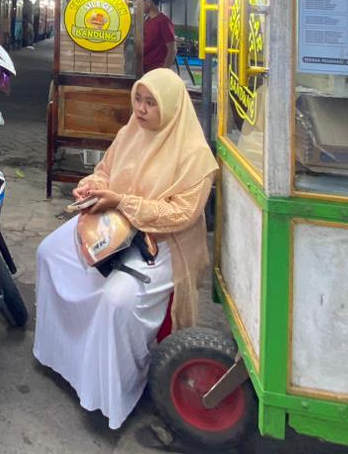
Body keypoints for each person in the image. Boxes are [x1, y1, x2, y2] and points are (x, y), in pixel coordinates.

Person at [34, 68, 217, 429]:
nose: (142, 110)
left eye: (151, 103)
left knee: (118, 300)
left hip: (164, 241)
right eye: (138, 99)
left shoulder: (195, 155)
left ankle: (114, 388)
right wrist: (90, 187)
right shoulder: (130, 132)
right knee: (49, 253)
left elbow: (181, 214)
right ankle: (63, 355)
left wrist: (123, 201)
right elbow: (105, 171)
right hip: (113, 224)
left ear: (172, 108)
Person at [142, 0, 177, 72]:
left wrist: (164, 71)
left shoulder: (163, 21)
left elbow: (172, 49)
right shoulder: (146, 21)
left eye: (142, 2)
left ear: (148, 3)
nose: (140, 5)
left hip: (157, 69)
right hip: (145, 68)